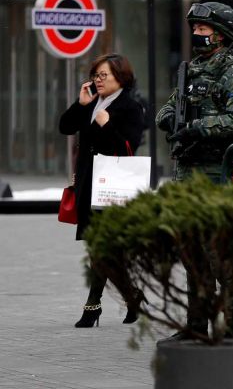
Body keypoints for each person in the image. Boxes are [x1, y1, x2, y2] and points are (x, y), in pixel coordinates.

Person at [155, 1, 233, 339]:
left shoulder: (232, 71)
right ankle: (196, 325)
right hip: (187, 174)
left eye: (203, 30)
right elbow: (168, 107)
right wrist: (168, 118)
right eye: (195, 29)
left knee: (220, 257)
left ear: (221, 35)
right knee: (192, 254)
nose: (197, 35)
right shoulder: (191, 70)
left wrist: (200, 126)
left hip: (215, 175)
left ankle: (231, 328)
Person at [59, 53, 146, 328]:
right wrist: (80, 104)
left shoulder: (131, 106)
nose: (97, 80)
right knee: (107, 250)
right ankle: (133, 298)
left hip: (114, 187)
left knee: (102, 247)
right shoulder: (92, 103)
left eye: (103, 75)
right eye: (95, 75)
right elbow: (65, 127)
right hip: (89, 184)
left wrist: (107, 124)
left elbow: (128, 148)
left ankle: (92, 307)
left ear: (120, 77)